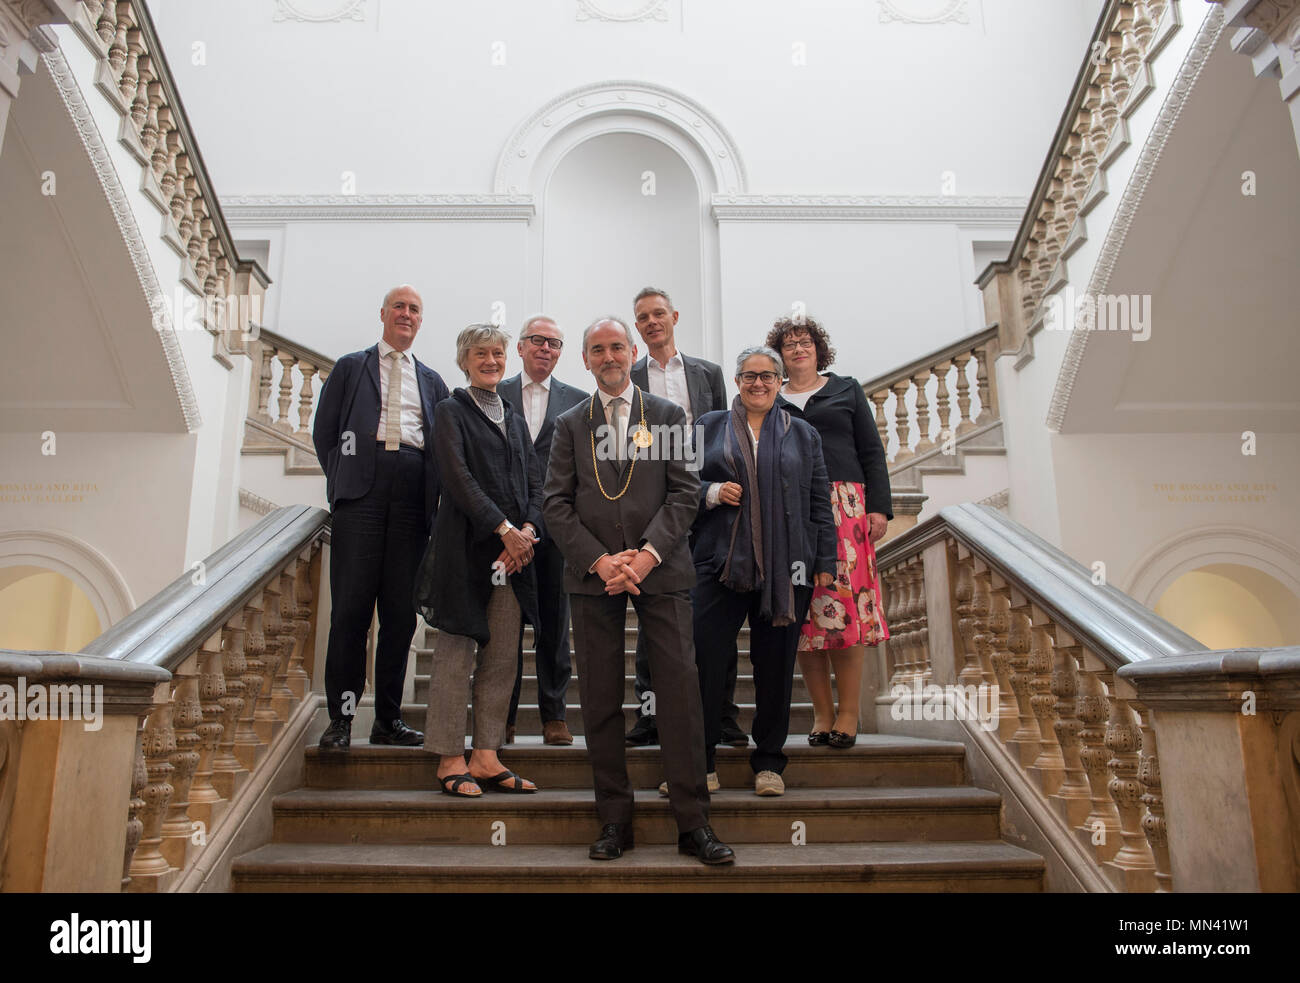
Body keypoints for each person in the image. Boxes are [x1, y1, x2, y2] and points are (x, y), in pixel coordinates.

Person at [543, 315, 734, 864]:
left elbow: (684, 492)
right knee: (601, 699)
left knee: (679, 694)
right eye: (598, 349)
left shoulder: (669, 415)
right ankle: (613, 821)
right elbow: (555, 502)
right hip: (593, 576)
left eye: (617, 347)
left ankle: (694, 823)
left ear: (633, 353)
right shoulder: (569, 423)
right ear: (586, 359)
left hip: (662, 570)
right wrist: (600, 561)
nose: (609, 357)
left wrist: (647, 556)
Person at [685, 346, 837, 796]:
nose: (758, 383)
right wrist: (711, 492)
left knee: (774, 666)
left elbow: (818, 501)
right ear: (736, 381)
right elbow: (678, 487)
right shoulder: (707, 428)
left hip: (786, 569)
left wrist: (824, 562)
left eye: (767, 376)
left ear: (779, 381)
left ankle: (769, 761)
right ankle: (702, 760)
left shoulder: (803, 434)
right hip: (717, 565)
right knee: (705, 663)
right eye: (749, 376)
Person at [312, 284, 449, 751]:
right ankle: (342, 721)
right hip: (361, 497)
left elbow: (444, 446)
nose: (406, 314)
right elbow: (325, 431)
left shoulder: (432, 381)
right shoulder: (352, 367)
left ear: (420, 319)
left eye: (414, 308)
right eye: (399, 307)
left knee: (399, 616)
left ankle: (387, 721)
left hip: (413, 498)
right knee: (350, 612)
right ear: (384, 314)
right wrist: (343, 480)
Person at [414, 324, 544, 796]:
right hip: (464, 553)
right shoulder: (450, 410)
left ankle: (486, 755)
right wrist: (505, 531)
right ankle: (450, 756)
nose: (491, 360)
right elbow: (458, 478)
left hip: (512, 558)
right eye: (480, 353)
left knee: (502, 657)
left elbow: (535, 480)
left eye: (497, 353)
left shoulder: (512, 414)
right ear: (464, 361)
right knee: (454, 655)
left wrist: (527, 532)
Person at [626, 286, 744, 750]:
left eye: (659, 314)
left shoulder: (708, 373)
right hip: (654, 502)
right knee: (651, 608)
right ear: (637, 327)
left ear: (674, 317)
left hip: (709, 500)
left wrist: (715, 489)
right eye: (643, 317)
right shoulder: (629, 374)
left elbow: (723, 434)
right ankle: (650, 714)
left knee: (719, 610)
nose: (653, 322)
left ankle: (725, 714)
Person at [768, 315, 892, 749]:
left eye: (805, 342)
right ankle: (821, 715)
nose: (798, 349)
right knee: (803, 618)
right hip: (790, 513)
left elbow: (872, 450)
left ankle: (850, 715)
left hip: (847, 510)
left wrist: (880, 508)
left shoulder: (846, 389)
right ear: (779, 355)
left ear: (819, 349)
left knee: (847, 614)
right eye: (789, 344)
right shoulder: (772, 397)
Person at [498, 315, 589, 746]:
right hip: (503, 531)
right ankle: (504, 717)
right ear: (520, 347)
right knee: (505, 626)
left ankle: (554, 715)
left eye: (554, 343)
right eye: (537, 340)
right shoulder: (493, 393)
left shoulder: (579, 401)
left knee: (554, 624)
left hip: (556, 529)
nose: (546, 349)